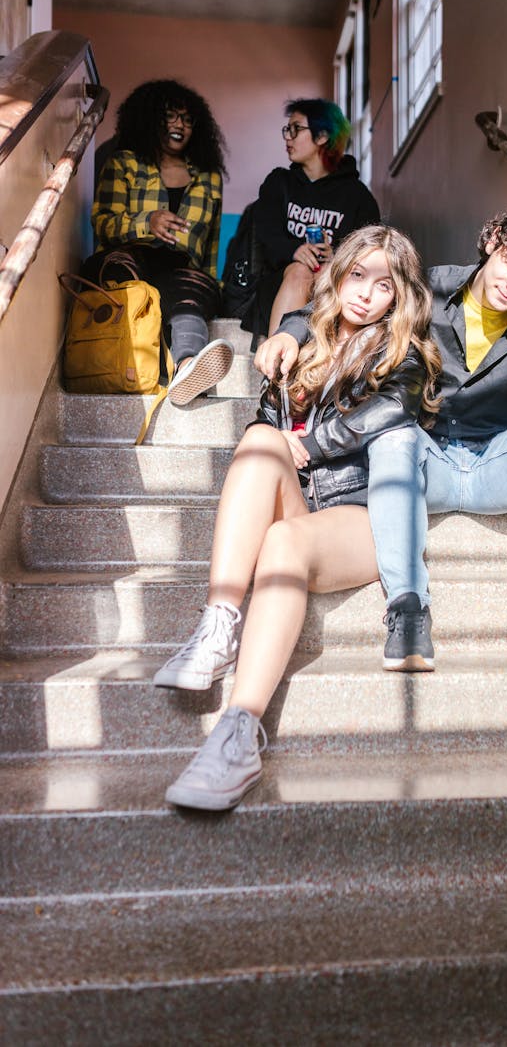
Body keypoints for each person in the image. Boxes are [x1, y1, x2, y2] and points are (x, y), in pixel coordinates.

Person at [259, 199, 507, 673]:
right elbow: (345, 310)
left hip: (496, 464)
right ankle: (407, 610)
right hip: (424, 461)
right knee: (393, 435)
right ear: (492, 243)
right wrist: (290, 331)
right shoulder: (429, 289)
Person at [155, 225, 441, 811]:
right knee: (260, 436)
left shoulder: (404, 354)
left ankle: (237, 732)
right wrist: (290, 337)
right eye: (357, 275)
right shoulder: (302, 341)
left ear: (400, 295)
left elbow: (388, 413)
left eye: (383, 285)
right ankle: (219, 625)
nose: (365, 294)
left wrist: (309, 443)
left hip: (362, 511)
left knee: (283, 542)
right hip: (296, 491)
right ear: (337, 275)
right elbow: (269, 434)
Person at [84, 79, 234, 405]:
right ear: (151, 119)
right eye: (171, 116)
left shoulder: (209, 176)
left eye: (188, 119)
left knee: (192, 293)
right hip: (131, 257)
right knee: (119, 273)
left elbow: (209, 244)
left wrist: (211, 285)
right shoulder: (125, 162)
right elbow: (104, 222)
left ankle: (187, 369)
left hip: (180, 269)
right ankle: (126, 361)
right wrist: (146, 223)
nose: (181, 124)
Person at [242, 97, 380, 339]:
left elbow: (369, 251)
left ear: (322, 136)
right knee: (299, 271)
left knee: (326, 271)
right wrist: (295, 250)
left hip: (331, 282)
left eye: (296, 129)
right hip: (280, 281)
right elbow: (266, 234)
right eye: (287, 129)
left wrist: (337, 256)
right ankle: (277, 366)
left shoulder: (357, 195)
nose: (288, 137)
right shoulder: (279, 182)